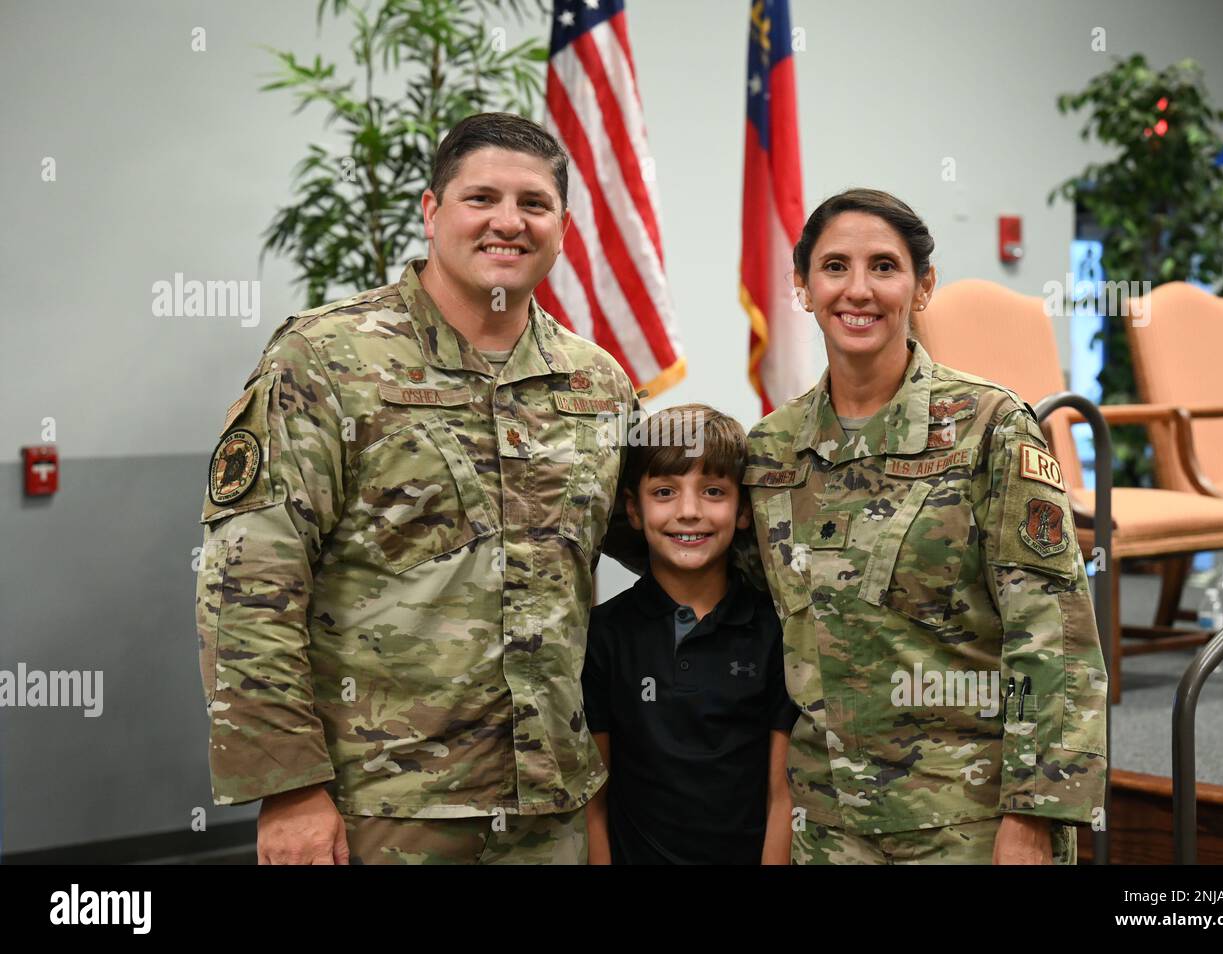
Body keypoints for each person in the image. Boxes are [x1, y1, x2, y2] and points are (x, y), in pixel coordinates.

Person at [194, 112, 638, 864]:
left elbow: (667, 543)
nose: (509, 222)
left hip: (546, 807)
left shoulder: (595, 383)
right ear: (432, 213)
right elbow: (248, 585)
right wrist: (290, 787)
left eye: (534, 203)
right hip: (382, 810)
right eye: (481, 199)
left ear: (562, 225)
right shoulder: (327, 359)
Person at [742, 189, 1108, 864]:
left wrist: (1032, 818)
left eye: (884, 266)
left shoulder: (990, 427)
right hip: (827, 825)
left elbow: (1054, 635)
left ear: (922, 285)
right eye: (834, 268)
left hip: (963, 820)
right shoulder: (772, 450)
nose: (859, 290)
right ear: (802, 287)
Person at [582, 405, 798, 864]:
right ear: (633, 511)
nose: (689, 512)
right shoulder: (602, 636)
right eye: (664, 492)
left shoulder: (777, 631)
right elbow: (593, 804)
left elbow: (783, 798)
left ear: (742, 510)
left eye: (714, 491)